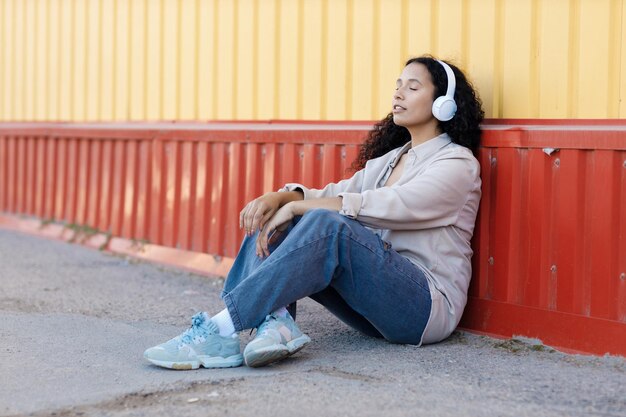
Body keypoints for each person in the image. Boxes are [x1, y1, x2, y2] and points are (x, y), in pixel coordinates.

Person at [144, 55, 484, 369]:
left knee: (325, 223)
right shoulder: (392, 160)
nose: (399, 93)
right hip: (376, 308)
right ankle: (276, 323)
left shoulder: (457, 164)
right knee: (288, 220)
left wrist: (299, 206)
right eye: (397, 85)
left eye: (413, 87)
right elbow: (336, 193)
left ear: (444, 104)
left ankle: (220, 329)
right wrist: (283, 198)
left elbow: (391, 206)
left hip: (423, 309)